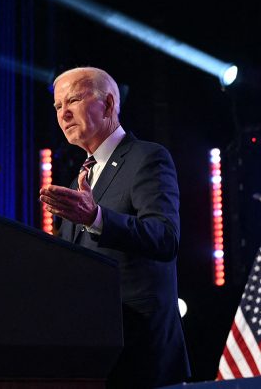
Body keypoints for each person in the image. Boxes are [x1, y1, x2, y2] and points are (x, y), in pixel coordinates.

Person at [39, 67, 190, 388]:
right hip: (89, 354)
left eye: (73, 100)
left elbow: (165, 237)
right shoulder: (78, 182)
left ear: (108, 105)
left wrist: (96, 217)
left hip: (141, 354)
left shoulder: (147, 158)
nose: (63, 113)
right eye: (57, 107)